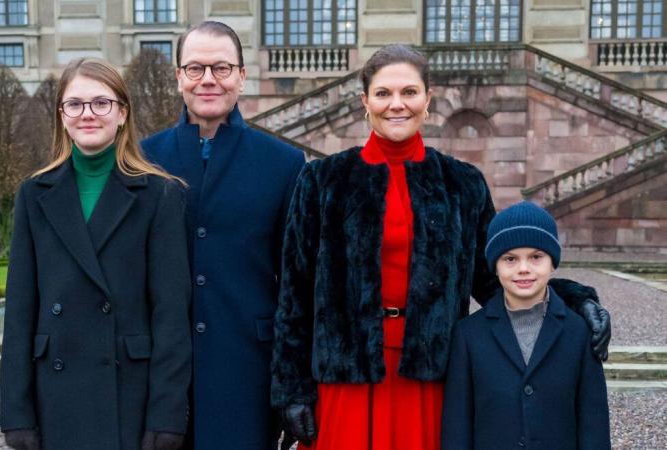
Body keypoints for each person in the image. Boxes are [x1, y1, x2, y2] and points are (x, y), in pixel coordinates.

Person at [270, 44, 611, 450]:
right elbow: (295, 293)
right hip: (347, 376)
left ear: (428, 100)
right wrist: (291, 388)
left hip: (431, 372)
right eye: (383, 93)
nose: (397, 104)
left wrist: (573, 299)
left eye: (409, 92)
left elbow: (493, 276)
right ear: (365, 102)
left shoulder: (462, 183)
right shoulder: (321, 181)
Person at [0, 58, 192, 450]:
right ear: (62, 115)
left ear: (122, 113)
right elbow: (20, 310)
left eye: (101, 103)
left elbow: (171, 315)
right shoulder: (34, 194)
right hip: (54, 396)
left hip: (128, 395)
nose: (88, 114)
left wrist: (167, 414)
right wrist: (16, 413)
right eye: (75, 104)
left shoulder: (161, 194)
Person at [140, 21, 305, 450]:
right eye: (195, 68)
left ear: (241, 76)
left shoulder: (284, 163)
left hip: (248, 370)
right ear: (178, 77)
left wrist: (294, 385)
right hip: (159, 375)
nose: (208, 79)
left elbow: (296, 284)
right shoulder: (143, 159)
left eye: (221, 67)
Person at [441, 201, 611, 450]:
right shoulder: (468, 335)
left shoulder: (579, 331)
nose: (523, 269)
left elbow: (594, 423)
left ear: (552, 262)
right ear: (494, 267)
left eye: (536, 257)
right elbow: (457, 427)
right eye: (510, 259)